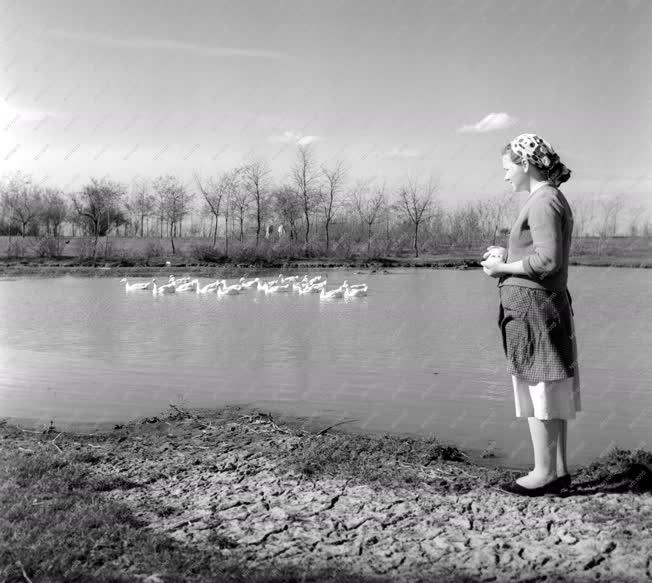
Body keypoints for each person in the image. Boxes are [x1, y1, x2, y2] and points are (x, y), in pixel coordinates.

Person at [481, 133, 581, 497]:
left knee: (539, 387)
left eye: (507, 168)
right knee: (549, 388)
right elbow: (542, 256)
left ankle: (544, 473)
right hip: (540, 306)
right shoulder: (550, 199)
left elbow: (547, 261)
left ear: (525, 163)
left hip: (534, 310)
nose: (505, 175)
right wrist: (506, 257)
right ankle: (557, 470)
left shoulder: (543, 202)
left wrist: (501, 270)